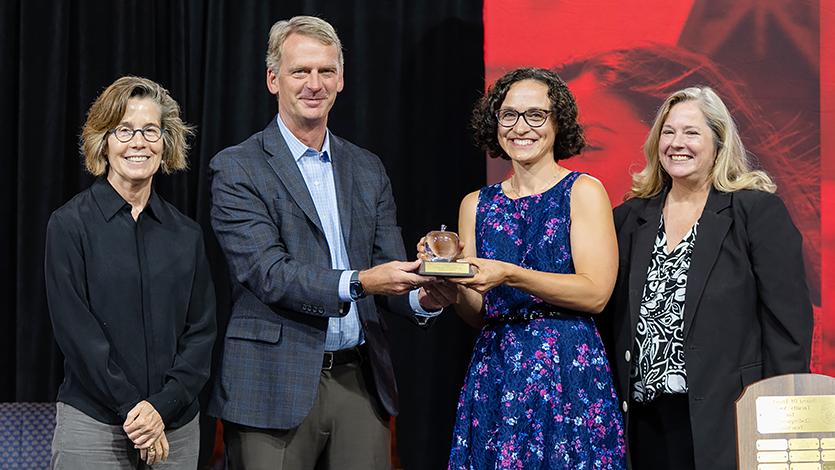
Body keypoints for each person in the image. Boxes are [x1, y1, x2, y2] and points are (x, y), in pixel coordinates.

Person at [207, 15, 456, 470]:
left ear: (341, 79)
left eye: (325, 71)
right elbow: (268, 273)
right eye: (300, 71)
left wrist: (426, 296)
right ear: (272, 79)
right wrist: (361, 281)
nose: (313, 83)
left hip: (359, 380)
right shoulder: (237, 167)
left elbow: (389, 268)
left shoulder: (366, 168)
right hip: (271, 385)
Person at [607, 86, 813, 469]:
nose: (676, 143)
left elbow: (788, 327)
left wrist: (784, 418)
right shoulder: (630, 218)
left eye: (691, 132)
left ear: (719, 143)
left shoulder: (755, 211)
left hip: (728, 418)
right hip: (645, 421)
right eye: (668, 132)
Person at [445, 67, 626, 469]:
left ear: (557, 123)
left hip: (567, 369)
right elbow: (476, 313)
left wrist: (511, 274)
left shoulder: (583, 191)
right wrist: (448, 284)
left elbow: (595, 293)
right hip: (498, 370)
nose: (519, 127)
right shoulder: (475, 204)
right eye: (508, 115)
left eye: (535, 115)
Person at [45, 76, 216, 469]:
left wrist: (162, 407)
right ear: (104, 140)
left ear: (165, 141)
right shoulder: (70, 226)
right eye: (124, 130)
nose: (138, 142)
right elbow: (78, 334)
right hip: (94, 424)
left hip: (175, 427)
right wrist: (136, 410)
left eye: (150, 131)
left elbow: (201, 333)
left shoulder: (187, 235)